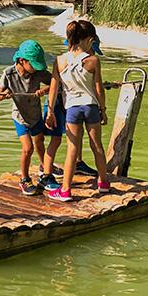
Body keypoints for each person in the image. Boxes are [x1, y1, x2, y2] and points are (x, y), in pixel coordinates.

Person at [44, 20, 110, 202]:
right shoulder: (93, 60)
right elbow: (98, 89)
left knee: (72, 149)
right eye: (92, 41)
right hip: (90, 107)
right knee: (97, 146)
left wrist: (50, 111)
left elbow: (53, 88)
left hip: (72, 108)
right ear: (88, 39)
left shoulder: (59, 61)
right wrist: (103, 110)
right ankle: (103, 183)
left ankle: (65, 190)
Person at [0, 40, 64, 195]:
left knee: (40, 141)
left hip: (35, 115)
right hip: (20, 117)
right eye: (33, 64)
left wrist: (44, 90)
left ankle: (43, 166)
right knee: (28, 148)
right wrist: (4, 95)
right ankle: (24, 179)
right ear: (21, 60)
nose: (35, 68)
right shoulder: (8, 73)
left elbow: (55, 84)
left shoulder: (38, 73)